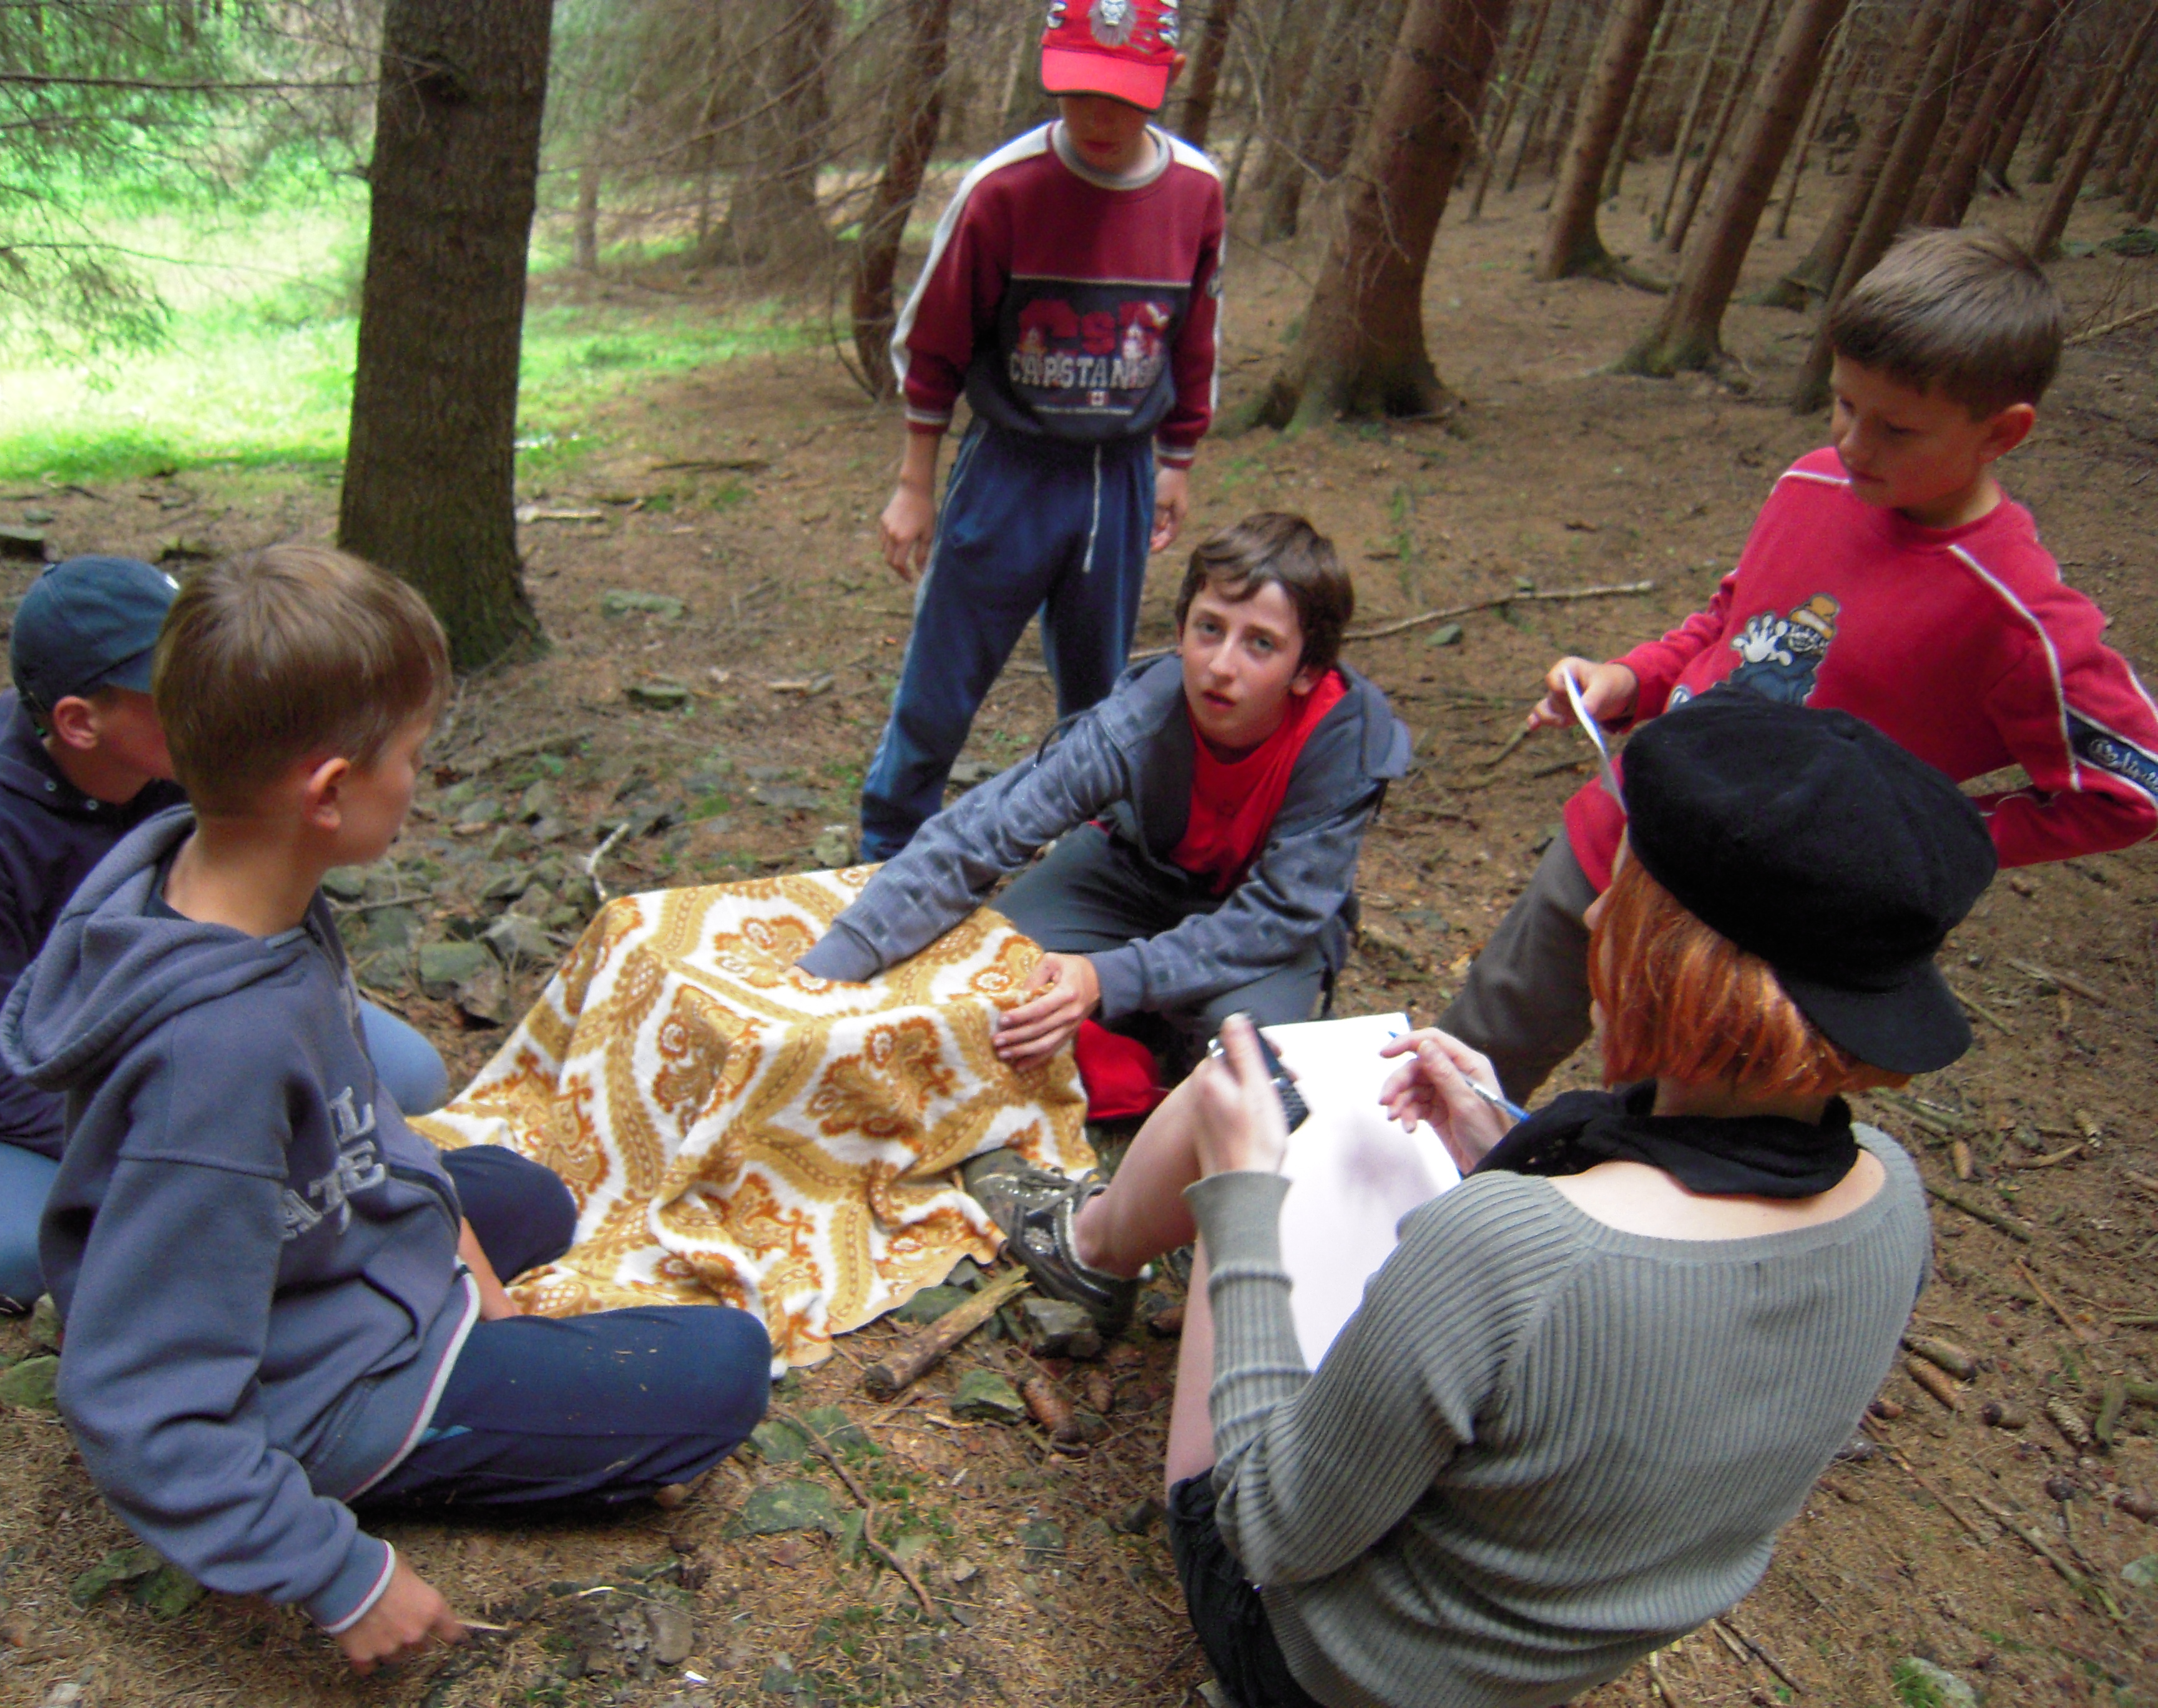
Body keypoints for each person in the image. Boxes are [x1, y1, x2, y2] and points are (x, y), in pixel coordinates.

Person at [1079, 689, 1989, 1708]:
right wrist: (1509, 1144)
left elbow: (1265, 1528)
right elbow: (1643, 1352)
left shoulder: (1514, 1249)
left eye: (1624, 892)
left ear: (1675, 964)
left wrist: (1243, 1190)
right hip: (1541, 1659)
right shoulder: (1891, 1197)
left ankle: (1084, 1247)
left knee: (1240, 1102)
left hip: (1328, 1667)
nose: (1593, 913)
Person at [0, 546, 772, 1674]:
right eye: (410, 756)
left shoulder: (225, 881)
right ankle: (405, 1440)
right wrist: (334, 1571)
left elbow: (355, 1107)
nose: (419, 778)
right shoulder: (214, 1063)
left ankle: (458, 1307)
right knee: (723, 1369)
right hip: (312, 1391)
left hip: (312, 1248)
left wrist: (449, 1237)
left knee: (532, 1197)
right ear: (327, 793)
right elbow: (139, 1395)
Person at [1445, 226, 2158, 1102]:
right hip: (1618, 836)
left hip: (1754, 948)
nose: (1855, 443)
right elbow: (1729, 624)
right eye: (1844, 405)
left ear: (2002, 433)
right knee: (1472, 1061)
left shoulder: (2019, 617)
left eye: (1897, 428)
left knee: (1671, 1133)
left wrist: (1909, 844)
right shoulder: (1813, 484)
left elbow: (2129, 795)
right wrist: (1629, 681)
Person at [800, 514, 1408, 1327]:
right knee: (987, 979)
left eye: (1260, 645)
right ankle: (1139, 1035)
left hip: (1263, 928)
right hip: (1131, 876)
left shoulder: (1346, 739)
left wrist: (1108, 978)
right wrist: (826, 972)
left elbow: (1277, 917)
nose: (1221, 665)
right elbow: (992, 825)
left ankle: (1161, 1082)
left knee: (1256, 1079)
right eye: (1208, 629)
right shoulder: (1149, 709)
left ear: (1306, 669)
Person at [0, 554, 448, 1305]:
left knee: (414, 1079)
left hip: (206, 1016)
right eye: (164, 687)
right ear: (79, 723)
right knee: (22, 1260)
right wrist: (155, 1143)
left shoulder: (191, 760)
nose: (199, 696)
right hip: (59, 1070)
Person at [861, 0, 1225, 858]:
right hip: (1010, 470)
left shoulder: (1194, 191)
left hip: (1119, 473)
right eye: (1081, 91)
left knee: (1099, 696)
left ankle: (1089, 861)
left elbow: (1197, 332)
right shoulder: (1005, 189)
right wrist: (915, 484)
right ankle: (884, 853)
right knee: (942, 680)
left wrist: (1177, 457)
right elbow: (933, 342)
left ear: (1166, 81)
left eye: (1123, 96)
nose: (1099, 117)